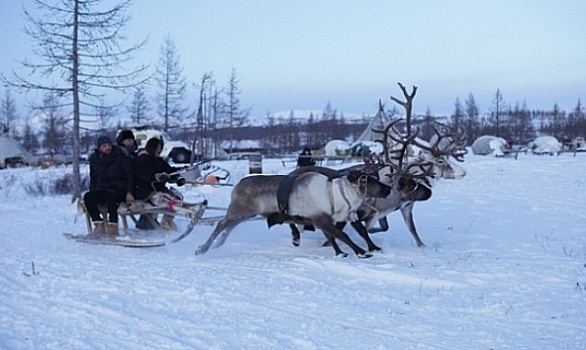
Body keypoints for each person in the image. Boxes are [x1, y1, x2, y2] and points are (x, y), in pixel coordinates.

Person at [83, 135, 135, 236]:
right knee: (88, 197)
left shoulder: (120, 156)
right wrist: (93, 191)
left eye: (109, 145)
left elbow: (130, 176)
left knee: (111, 196)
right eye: (104, 146)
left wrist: (129, 192)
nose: (107, 148)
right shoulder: (95, 160)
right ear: (99, 148)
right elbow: (93, 179)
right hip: (102, 188)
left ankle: (113, 226)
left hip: (119, 188)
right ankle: (99, 225)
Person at [134, 137, 184, 230]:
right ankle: (162, 224)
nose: (159, 150)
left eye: (160, 148)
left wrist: (178, 176)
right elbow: (142, 174)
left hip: (159, 190)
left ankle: (167, 221)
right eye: (157, 148)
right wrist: (156, 177)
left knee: (177, 198)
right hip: (146, 191)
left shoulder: (159, 161)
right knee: (169, 201)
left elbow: (169, 171)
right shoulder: (142, 159)